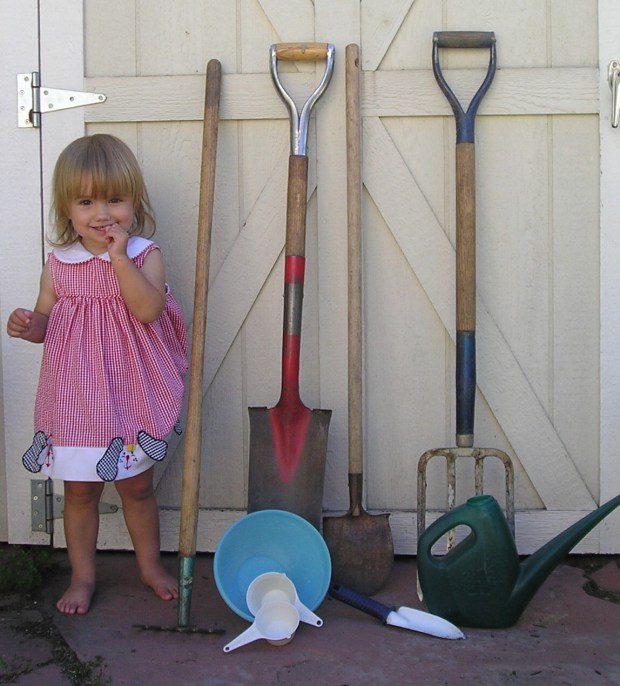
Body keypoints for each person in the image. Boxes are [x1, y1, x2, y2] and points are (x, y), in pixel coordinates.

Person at [6, 134, 188, 615]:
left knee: (136, 487)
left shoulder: (145, 254)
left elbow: (148, 310)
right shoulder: (58, 264)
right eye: (86, 201)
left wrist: (120, 258)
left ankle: (148, 566)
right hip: (74, 399)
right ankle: (83, 575)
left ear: (134, 203)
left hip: (127, 394)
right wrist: (30, 325)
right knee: (79, 492)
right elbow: (47, 322)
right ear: (67, 209)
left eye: (114, 199)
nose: (101, 213)